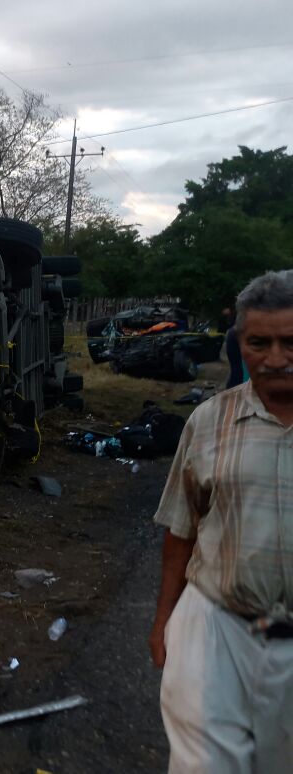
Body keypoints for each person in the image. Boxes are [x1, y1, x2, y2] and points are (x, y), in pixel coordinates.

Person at [148, 270, 293, 773]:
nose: (275, 358)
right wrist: (165, 617)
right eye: (259, 342)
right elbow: (181, 527)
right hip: (216, 626)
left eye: (290, 342)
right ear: (239, 343)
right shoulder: (209, 422)